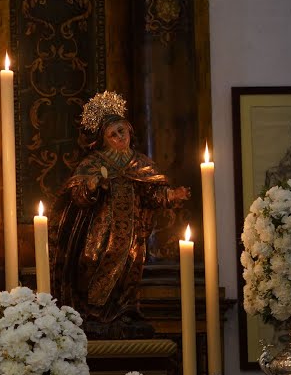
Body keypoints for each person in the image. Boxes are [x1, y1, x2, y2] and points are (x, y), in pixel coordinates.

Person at [53, 91, 190, 338]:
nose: (119, 137)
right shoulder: (93, 162)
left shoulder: (141, 163)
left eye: (121, 131)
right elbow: (77, 197)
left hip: (133, 232)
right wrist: (92, 186)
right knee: (93, 261)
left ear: (129, 129)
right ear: (104, 140)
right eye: (112, 135)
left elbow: (153, 195)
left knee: (131, 265)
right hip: (100, 231)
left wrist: (172, 196)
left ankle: (123, 311)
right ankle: (93, 312)